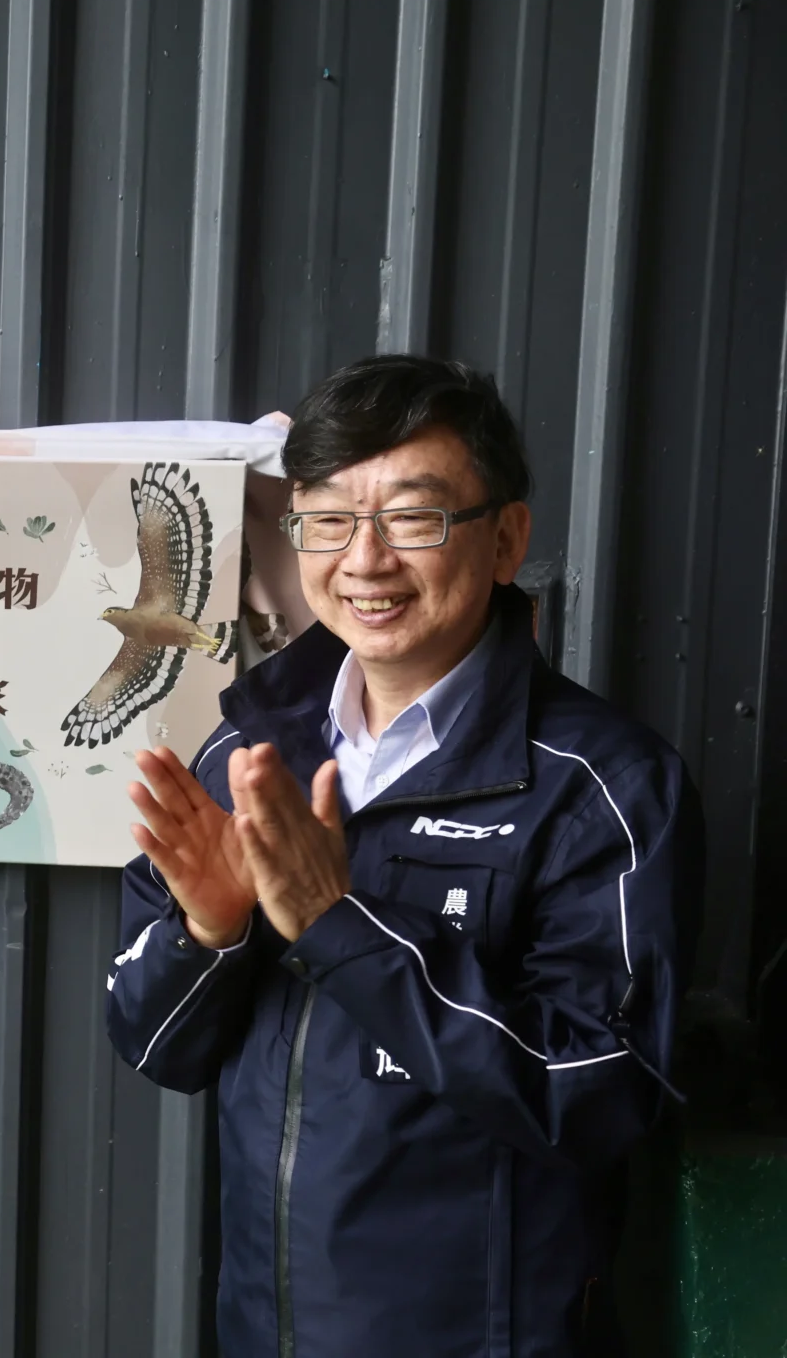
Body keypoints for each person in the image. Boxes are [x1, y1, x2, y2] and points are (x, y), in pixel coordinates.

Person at [107, 356, 700, 1356]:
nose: (365, 560)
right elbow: (157, 1047)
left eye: (414, 517)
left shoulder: (601, 786)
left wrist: (339, 926)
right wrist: (208, 932)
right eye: (329, 519)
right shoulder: (248, 751)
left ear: (505, 539)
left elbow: (599, 1093)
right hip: (264, 1329)